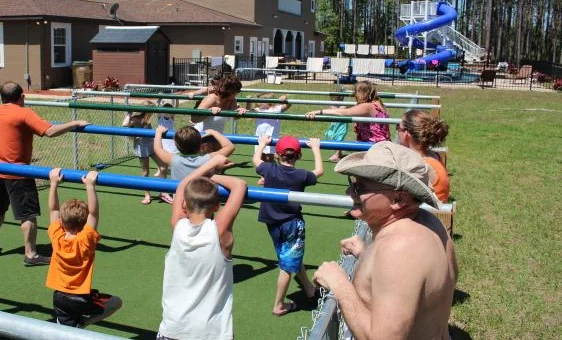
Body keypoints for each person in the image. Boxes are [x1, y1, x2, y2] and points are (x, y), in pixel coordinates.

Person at [312, 141, 456, 340]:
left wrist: (339, 283)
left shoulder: (399, 249)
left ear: (398, 200)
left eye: (360, 187)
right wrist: (368, 254)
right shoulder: (430, 223)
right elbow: (419, 286)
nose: (349, 192)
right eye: (352, 184)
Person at [0, 81, 88, 266]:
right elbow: (49, 131)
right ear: (21, 97)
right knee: (28, 215)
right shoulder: (24, 112)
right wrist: (74, 123)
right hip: (18, 172)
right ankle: (31, 254)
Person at [158, 155, 247, 340]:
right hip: (211, 333)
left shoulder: (178, 225)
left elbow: (183, 185)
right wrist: (213, 175)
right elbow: (239, 185)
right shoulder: (220, 230)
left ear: (183, 204)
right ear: (217, 206)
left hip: (173, 328)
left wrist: (208, 167)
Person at [252, 135, 323, 316]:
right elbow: (319, 171)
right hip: (292, 223)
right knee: (286, 265)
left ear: (277, 155)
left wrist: (261, 145)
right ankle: (279, 305)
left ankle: (308, 289)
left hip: (272, 223)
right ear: (298, 156)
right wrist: (315, 147)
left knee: (289, 256)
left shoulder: (269, 170)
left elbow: (255, 160)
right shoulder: (301, 175)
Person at [46, 168, 122, 328]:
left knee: (64, 328)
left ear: (61, 220)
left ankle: (71, 325)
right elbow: (94, 214)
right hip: (80, 298)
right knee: (116, 302)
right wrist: (90, 186)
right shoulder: (85, 239)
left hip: (59, 298)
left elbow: (53, 209)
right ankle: (84, 322)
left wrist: (53, 184)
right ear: (84, 222)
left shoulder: (56, 237)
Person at [306, 81, 390, 143]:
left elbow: (345, 112)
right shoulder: (380, 105)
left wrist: (319, 111)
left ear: (361, 93)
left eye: (356, 93)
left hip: (372, 147)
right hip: (381, 143)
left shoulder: (367, 106)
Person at [397, 109, 451, 203]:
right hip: (435, 212)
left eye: (398, 127)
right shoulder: (434, 156)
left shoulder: (417, 165)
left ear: (406, 134)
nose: (397, 131)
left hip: (423, 214)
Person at [154, 124, 235, 184]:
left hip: (180, 201)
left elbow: (158, 149)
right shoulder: (208, 159)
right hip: (202, 200)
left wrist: (158, 132)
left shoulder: (173, 159)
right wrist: (214, 132)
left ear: (176, 145)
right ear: (200, 144)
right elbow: (230, 147)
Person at [122, 101, 168, 205]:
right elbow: (124, 125)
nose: (153, 113)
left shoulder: (148, 119)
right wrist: (129, 114)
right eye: (151, 111)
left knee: (163, 167)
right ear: (146, 111)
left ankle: (163, 192)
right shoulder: (136, 118)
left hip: (151, 145)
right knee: (145, 172)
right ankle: (147, 194)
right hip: (141, 147)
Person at [248, 93, 291, 162]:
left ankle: (273, 171)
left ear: (269, 102)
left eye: (261, 102)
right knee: (260, 157)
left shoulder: (276, 109)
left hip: (270, 137)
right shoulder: (258, 110)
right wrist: (249, 102)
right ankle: (265, 171)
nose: (259, 103)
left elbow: (288, 105)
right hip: (260, 137)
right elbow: (249, 113)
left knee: (269, 157)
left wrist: (285, 98)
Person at [324, 92, 349, 163]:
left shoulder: (344, 105)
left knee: (339, 139)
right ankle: (339, 153)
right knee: (333, 137)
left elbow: (347, 111)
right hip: (334, 124)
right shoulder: (332, 104)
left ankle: (337, 155)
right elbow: (330, 111)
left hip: (342, 124)